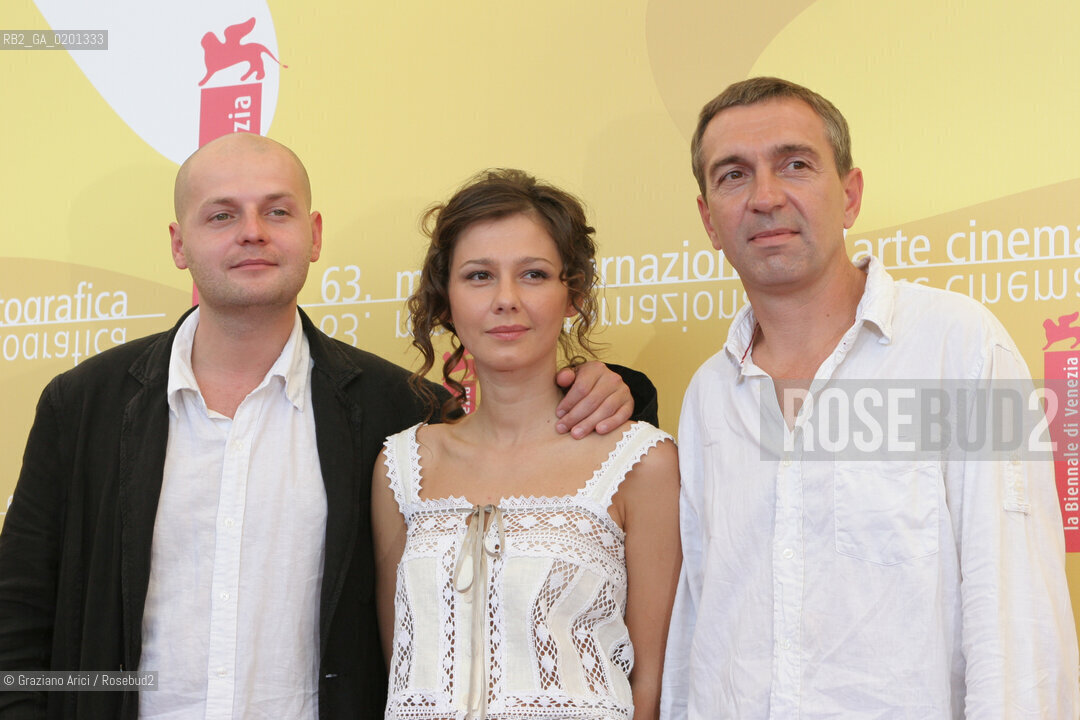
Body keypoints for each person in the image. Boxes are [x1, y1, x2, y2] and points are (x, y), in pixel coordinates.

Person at [0, 133, 654, 720]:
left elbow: (530, 457)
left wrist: (616, 385)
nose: (252, 232)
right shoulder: (84, 405)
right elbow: (19, 614)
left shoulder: (397, 411)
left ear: (313, 235)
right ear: (179, 243)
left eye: (276, 211)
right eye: (222, 215)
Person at [660, 77, 1080, 718]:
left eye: (795, 165)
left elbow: (1016, 608)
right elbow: (700, 618)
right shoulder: (709, 395)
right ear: (708, 219)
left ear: (850, 195)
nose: (765, 197)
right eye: (734, 175)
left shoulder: (960, 347)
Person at [371, 169, 681, 720]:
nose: (506, 299)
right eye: (479, 276)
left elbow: (653, 679)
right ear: (445, 302)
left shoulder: (642, 461)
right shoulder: (401, 464)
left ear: (573, 296)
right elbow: (400, 658)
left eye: (534, 274)